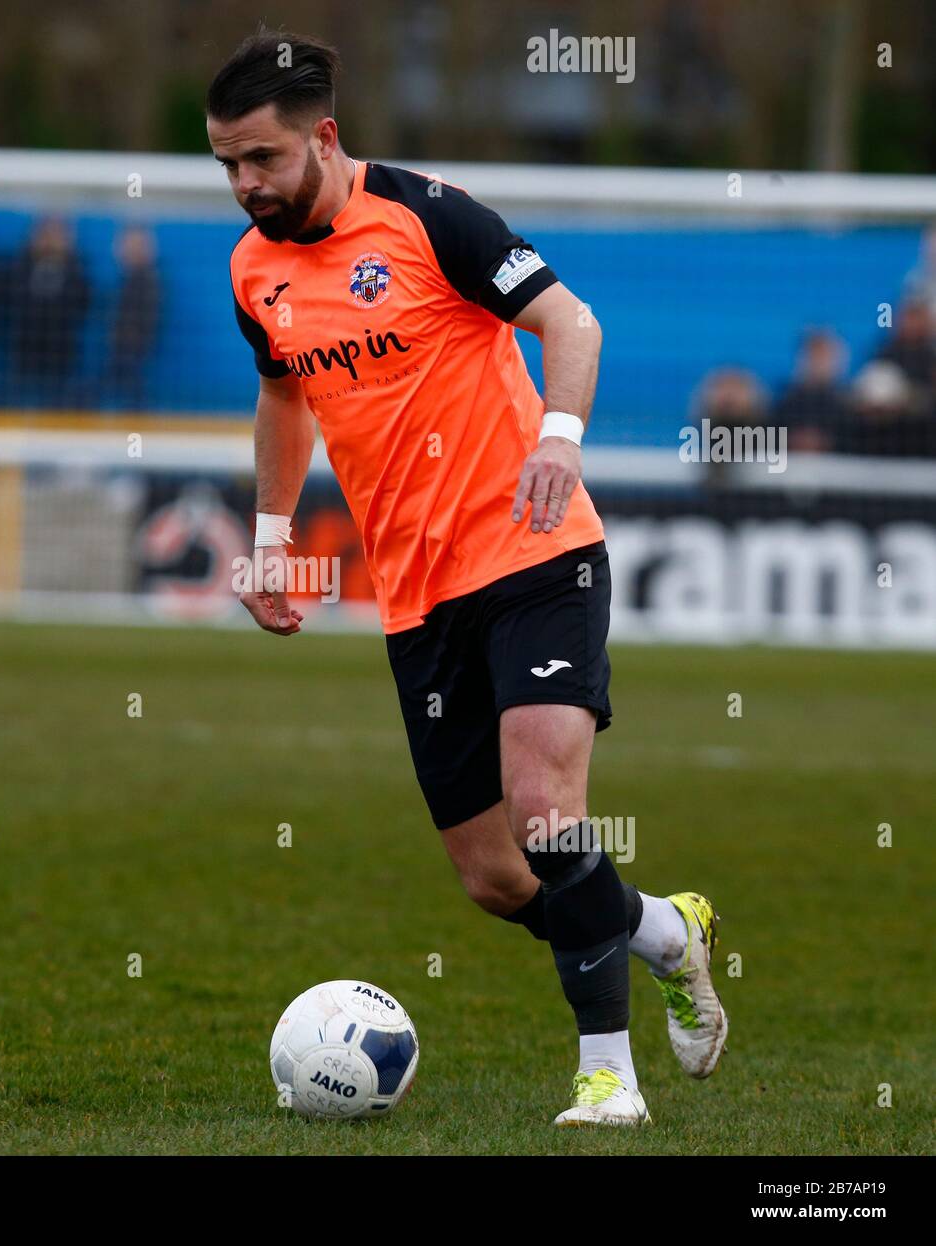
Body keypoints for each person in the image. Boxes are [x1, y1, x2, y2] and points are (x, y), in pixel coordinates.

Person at [208, 30, 727, 1128]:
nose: (244, 185)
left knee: (547, 813)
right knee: (498, 879)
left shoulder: (428, 217)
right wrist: (267, 532)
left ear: (324, 138)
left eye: (260, 159)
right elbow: (286, 395)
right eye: (227, 165)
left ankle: (607, 1080)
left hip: (535, 548)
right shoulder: (254, 270)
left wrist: (560, 436)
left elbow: (568, 319)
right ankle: (667, 933)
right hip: (416, 595)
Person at [8, 216, 91, 410]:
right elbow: (10, 295)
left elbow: (82, 303)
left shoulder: (74, 267)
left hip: (60, 353)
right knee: (19, 406)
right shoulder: (24, 263)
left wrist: (67, 259)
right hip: (25, 350)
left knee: (56, 406)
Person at [105, 225, 161, 410]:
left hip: (132, 348)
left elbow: (147, 317)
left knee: (131, 388)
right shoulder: (129, 279)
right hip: (124, 347)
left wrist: (129, 336)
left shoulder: (147, 281)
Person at [774, 328, 851, 454]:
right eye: (814, 355)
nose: (819, 362)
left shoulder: (848, 405)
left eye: (825, 355)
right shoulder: (785, 402)